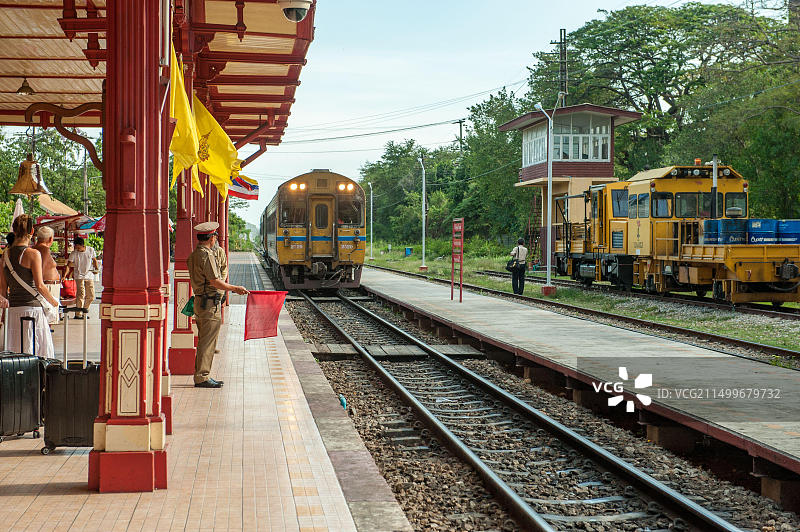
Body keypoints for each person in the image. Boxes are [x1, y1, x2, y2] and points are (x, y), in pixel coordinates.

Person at [188, 221, 248, 388]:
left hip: (200, 301)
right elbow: (215, 281)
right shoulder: (206, 255)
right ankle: (202, 377)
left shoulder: (193, 255)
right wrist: (235, 288)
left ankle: (201, 374)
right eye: (214, 236)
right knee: (207, 342)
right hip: (209, 304)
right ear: (212, 238)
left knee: (203, 340)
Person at [0, 214, 58, 358]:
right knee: (36, 353)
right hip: (33, 311)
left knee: (15, 355)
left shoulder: (5, 256)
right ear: (32, 231)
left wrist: (3, 316)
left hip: (13, 312)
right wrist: (55, 302)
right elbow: (40, 285)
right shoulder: (33, 254)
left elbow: (3, 289)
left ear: (13, 231)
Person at [66, 235, 98, 319]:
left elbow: (94, 260)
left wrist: (97, 268)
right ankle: (78, 314)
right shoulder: (74, 253)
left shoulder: (90, 250)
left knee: (91, 295)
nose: (76, 249)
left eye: (77, 247)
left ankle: (84, 310)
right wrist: (65, 274)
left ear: (82, 245)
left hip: (89, 274)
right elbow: (68, 265)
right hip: (79, 275)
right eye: (75, 247)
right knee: (81, 294)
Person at [34, 226, 61, 324]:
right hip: (47, 286)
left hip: (46, 286)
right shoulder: (44, 250)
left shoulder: (36, 249)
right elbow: (42, 269)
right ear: (50, 239)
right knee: (48, 319)